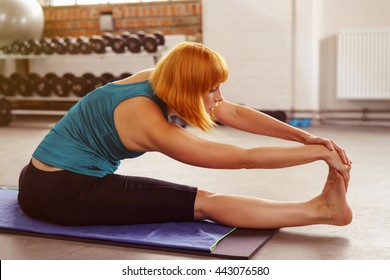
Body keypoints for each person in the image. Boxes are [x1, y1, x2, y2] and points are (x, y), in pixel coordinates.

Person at [18, 42, 352, 229]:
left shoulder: (158, 77)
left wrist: (304, 138)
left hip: (35, 178)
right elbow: (241, 158)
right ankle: (323, 211)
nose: (218, 97)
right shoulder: (147, 122)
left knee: (200, 199)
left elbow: (232, 112)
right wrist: (320, 154)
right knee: (205, 203)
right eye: (212, 89)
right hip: (65, 194)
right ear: (188, 88)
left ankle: (324, 207)